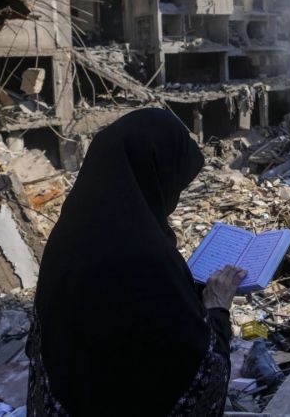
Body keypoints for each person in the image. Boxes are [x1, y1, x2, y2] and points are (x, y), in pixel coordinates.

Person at [29, 108, 245, 416]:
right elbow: (199, 374)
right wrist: (217, 308)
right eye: (174, 185)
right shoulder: (148, 257)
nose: (175, 198)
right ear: (152, 174)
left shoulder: (68, 236)